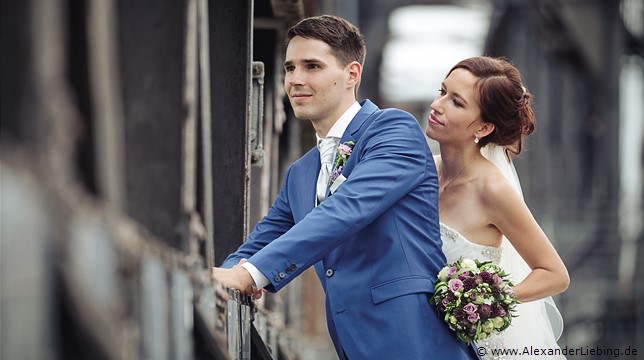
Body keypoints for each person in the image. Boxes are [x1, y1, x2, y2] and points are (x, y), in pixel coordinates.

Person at [212, 15, 476, 360]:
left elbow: (347, 209)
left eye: (312, 66)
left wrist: (251, 274)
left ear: (352, 74)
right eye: (290, 68)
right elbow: (266, 238)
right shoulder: (301, 173)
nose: (296, 79)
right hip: (354, 346)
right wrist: (228, 273)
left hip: (416, 342)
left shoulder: (394, 130)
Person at [425, 56, 570, 359]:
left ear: (484, 126)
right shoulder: (424, 173)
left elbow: (555, 274)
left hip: (475, 348)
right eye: (442, 92)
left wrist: (486, 301)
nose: (437, 105)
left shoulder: (492, 189)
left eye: (457, 103)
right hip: (424, 340)